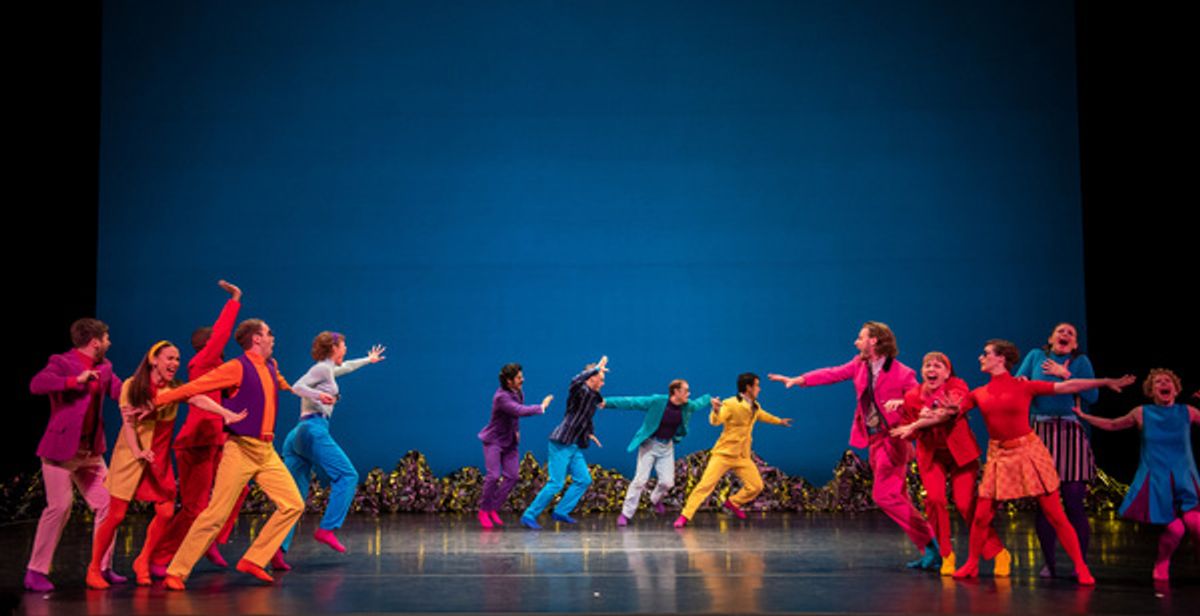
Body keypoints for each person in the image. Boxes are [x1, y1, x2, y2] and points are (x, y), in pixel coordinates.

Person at [154, 319, 328, 589]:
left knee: (293, 503)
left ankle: (254, 559)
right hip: (241, 449)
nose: (273, 337)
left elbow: (285, 385)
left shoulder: (270, 366)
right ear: (256, 339)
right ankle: (176, 572)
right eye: (269, 333)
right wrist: (156, 400)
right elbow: (194, 387)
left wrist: (315, 395)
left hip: (266, 452)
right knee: (216, 514)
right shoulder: (236, 367)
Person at [952, 339, 1133, 585]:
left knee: (1055, 513)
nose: (980, 358)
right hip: (999, 455)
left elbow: (1069, 386)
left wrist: (1105, 381)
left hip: (1028, 451)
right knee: (982, 516)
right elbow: (951, 411)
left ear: (1001, 358)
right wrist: (927, 415)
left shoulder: (1023, 387)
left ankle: (1080, 567)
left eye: (985, 354)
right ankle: (972, 563)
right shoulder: (978, 393)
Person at [768, 321, 938, 569]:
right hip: (875, 440)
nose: (855, 342)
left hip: (894, 439)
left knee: (884, 496)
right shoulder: (860, 364)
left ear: (874, 341)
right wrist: (800, 379)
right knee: (897, 497)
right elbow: (833, 373)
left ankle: (932, 544)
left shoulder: (903, 372)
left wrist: (901, 402)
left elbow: (921, 397)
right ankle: (931, 549)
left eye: (860, 338)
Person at [85, 340, 245, 589]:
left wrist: (226, 414)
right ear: (154, 359)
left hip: (158, 459)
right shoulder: (132, 386)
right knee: (116, 515)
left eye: (178, 359)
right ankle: (94, 568)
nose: (175, 364)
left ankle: (143, 560)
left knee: (166, 512)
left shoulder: (174, 389)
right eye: (169, 358)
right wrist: (138, 451)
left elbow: (198, 399)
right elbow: (128, 424)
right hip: (132, 457)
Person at [150, 280, 246, 575]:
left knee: (237, 490)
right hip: (197, 443)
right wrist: (234, 300)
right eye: (218, 342)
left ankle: (212, 540)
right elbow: (221, 333)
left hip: (216, 441)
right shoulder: (202, 362)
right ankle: (160, 558)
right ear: (209, 344)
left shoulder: (223, 370)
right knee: (194, 506)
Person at [1072, 369, 1200, 581]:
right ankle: (1162, 562)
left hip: (1186, 478)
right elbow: (1113, 424)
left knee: (1196, 525)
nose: (1163, 384)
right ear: (1152, 391)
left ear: (1175, 389)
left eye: (1167, 381)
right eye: (1158, 382)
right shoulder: (1142, 413)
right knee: (1176, 530)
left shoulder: (1188, 411)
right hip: (1157, 481)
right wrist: (1085, 417)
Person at [25, 319, 123, 592]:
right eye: (107, 338)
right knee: (60, 506)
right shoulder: (62, 362)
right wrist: (74, 380)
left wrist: (149, 386)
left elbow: (119, 391)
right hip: (60, 451)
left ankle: (102, 566)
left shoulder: (105, 367)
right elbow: (38, 384)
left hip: (90, 452)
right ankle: (35, 571)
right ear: (95, 341)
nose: (109, 343)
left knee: (109, 505)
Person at [888, 352, 1008, 576]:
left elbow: (948, 413)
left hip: (960, 454)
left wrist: (920, 421)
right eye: (927, 366)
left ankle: (998, 552)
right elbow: (906, 428)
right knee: (934, 500)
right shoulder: (913, 395)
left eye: (937, 366)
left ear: (947, 372)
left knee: (965, 504)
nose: (931, 369)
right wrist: (905, 427)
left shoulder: (957, 385)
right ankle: (946, 554)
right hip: (932, 455)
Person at [280, 332, 385, 552]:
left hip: (298, 433)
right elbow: (296, 387)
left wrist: (368, 360)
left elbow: (346, 367)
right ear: (334, 347)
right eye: (344, 345)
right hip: (312, 430)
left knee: (294, 500)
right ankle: (326, 529)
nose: (345, 349)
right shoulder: (321, 368)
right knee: (348, 476)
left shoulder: (327, 370)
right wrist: (319, 397)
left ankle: (278, 550)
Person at [1015, 322, 1099, 577]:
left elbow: (1093, 398)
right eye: (1060, 331)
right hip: (1040, 433)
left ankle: (1079, 563)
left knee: (1074, 502)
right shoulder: (1035, 356)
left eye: (1070, 334)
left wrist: (1067, 376)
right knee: (1045, 505)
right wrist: (1022, 382)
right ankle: (1049, 563)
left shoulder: (1081, 362)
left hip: (1070, 433)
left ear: (1074, 344)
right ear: (1050, 338)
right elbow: (1019, 387)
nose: (1065, 335)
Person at [674, 373, 790, 528]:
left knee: (756, 486)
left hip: (742, 455)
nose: (759, 389)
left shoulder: (755, 405)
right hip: (724, 453)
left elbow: (761, 415)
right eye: (757, 386)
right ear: (748, 387)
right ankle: (685, 516)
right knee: (705, 485)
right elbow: (717, 421)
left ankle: (733, 502)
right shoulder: (730, 403)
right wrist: (715, 410)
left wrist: (779, 421)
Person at [605, 379, 715, 526]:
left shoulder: (687, 406)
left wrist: (710, 400)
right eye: (686, 390)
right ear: (676, 392)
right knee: (640, 480)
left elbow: (700, 403)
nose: (689, 393)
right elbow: (632, 402)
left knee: (667, 483)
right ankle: (626, 513)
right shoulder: (658, 402)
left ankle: (654, 499)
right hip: (649, 445)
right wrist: (606, 402)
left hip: (667, 447)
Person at [521, 356, 608, 529]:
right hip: (560, 443)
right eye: (601, 379)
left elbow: (586, 418)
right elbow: (576, 380)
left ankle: (561, 511)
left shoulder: (592, 397)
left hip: (574, 445)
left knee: (584, 479)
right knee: (556, 482)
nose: (603, 383)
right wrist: (596, 367)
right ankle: (529, 515)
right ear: (591, 378)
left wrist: (590, 433)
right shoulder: (580, 390)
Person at [477, 362, 552, 528]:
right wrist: (542, 406)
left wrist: (516, 431)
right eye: (519, 377)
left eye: (521, 376)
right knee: (494, 476)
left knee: (512, 476)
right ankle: (483, 510)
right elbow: (518, 410)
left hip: (510, 441)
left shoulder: (518, 392)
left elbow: (514, 417)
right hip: (494, 441)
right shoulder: (501, 397)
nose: (522, 380)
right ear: (509, 381)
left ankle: (493, 508)